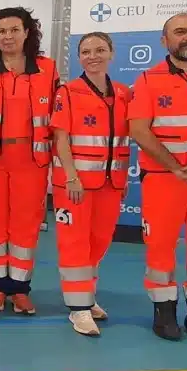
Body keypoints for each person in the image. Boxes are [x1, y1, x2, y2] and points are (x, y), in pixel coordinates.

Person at [128, 12, 187, 343]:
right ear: (165, 40)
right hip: (163, 178)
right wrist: (175, 166)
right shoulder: (148, 79)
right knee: (160, 247)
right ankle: (164, 312)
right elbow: (138, 130)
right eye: (180, 31)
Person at [0, 6, 58, 315]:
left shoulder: (48, 69)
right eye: (2, 31)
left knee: (25, 226)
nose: (8, 36)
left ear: (27, 32)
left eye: (14, 30)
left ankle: (20, 290)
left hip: (32, 161)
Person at [50, 31, 130, 337]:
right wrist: (71, 175)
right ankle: (79, 309)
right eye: (86, 51)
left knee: (99, 242)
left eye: (99, 50)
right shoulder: (67, 92)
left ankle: (87, 295)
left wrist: (119, 178)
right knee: (74, 245)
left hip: (111, 183)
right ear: (79, 57)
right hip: (74, 185)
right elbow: (61, 138)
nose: (92, 56)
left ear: (111, 53)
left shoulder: (124, 93)